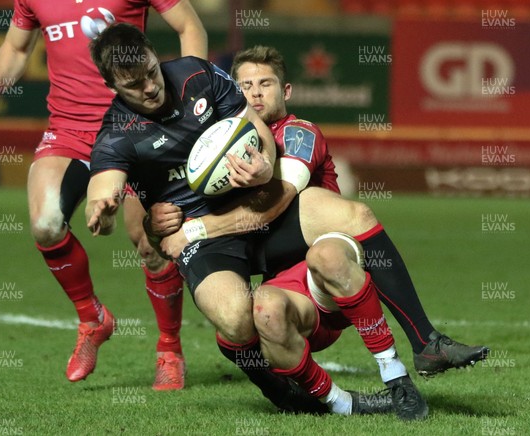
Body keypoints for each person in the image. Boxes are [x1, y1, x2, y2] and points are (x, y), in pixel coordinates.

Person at [85, 23, 398, 415]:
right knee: (236, 320)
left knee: (349, 213)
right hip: (202, 235)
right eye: (134, 85)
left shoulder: (196, 74)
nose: (149, 87)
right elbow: (103, 186)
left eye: (151, 71)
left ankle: (419, 349)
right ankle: (301, 396)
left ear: (153, 53)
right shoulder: (116, 134)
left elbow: (256, 127)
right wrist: (102, 206)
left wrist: (265, 166)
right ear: (113, 86)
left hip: (255, 202)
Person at [149, 45, 489, 377]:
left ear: (286, 91)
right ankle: (262, 373)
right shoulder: (225, 143)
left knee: (334, 239)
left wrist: (193, 231)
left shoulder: (298, 133)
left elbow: (277, 203)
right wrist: (161, 220)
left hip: (326, 276)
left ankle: (421, 345)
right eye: (245, 86)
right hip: (283, 284)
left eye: (265, 84)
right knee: (237, 314)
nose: (255, 95)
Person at [0, 0, 207, 390]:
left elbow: (189, 26)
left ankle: (170, 350)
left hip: (136, 127)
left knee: (151, 244)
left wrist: (191, 90)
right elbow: (16, 48)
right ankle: (92, 317)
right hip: (69, 130)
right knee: (46, 225)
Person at [254, 231, 428, 420]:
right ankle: (339, 402)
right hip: (286, 303)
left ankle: (397, 376)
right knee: (261, 311)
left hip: (331, 278)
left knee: (328, 255)